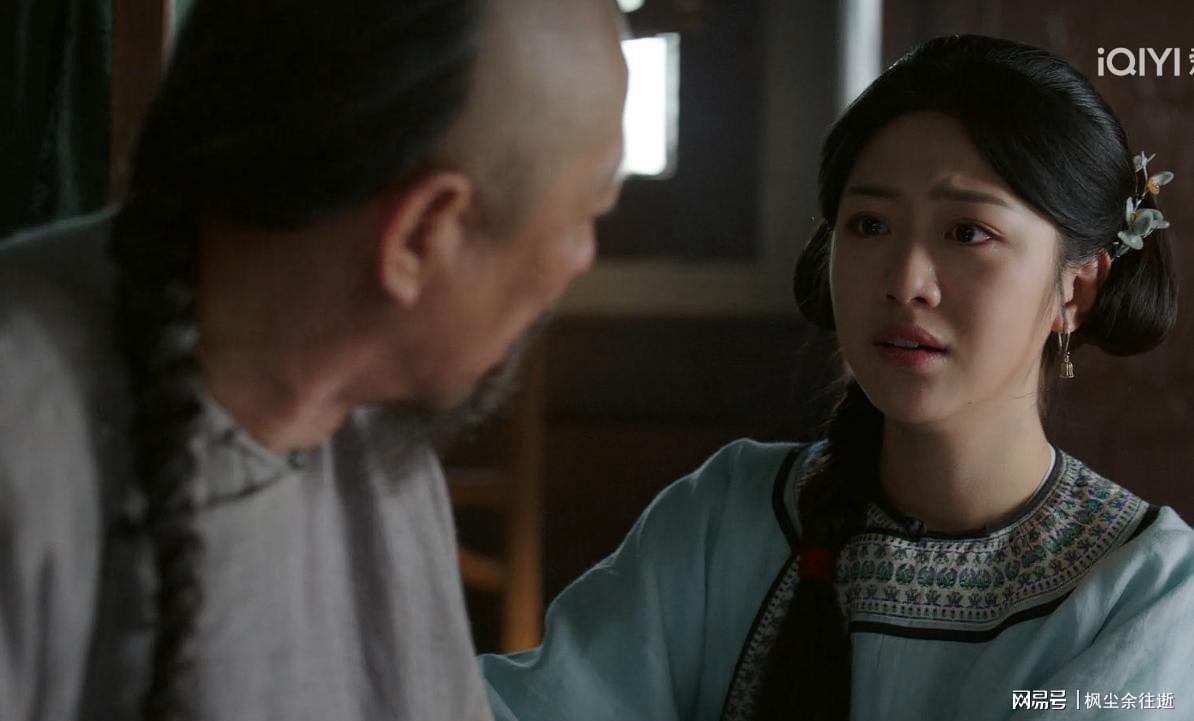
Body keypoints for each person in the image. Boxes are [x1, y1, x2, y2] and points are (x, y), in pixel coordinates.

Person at [480, 35, 1194, 721]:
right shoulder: (724, 519)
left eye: (968, 232)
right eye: (870, 225)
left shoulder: (1147, 589)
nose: (905, 282)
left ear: (1076, 289)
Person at [0, 0, 627, 719]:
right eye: (588, 214)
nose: (582, 259)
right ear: (421, 234)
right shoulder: (22, 433)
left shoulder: (374, 434)